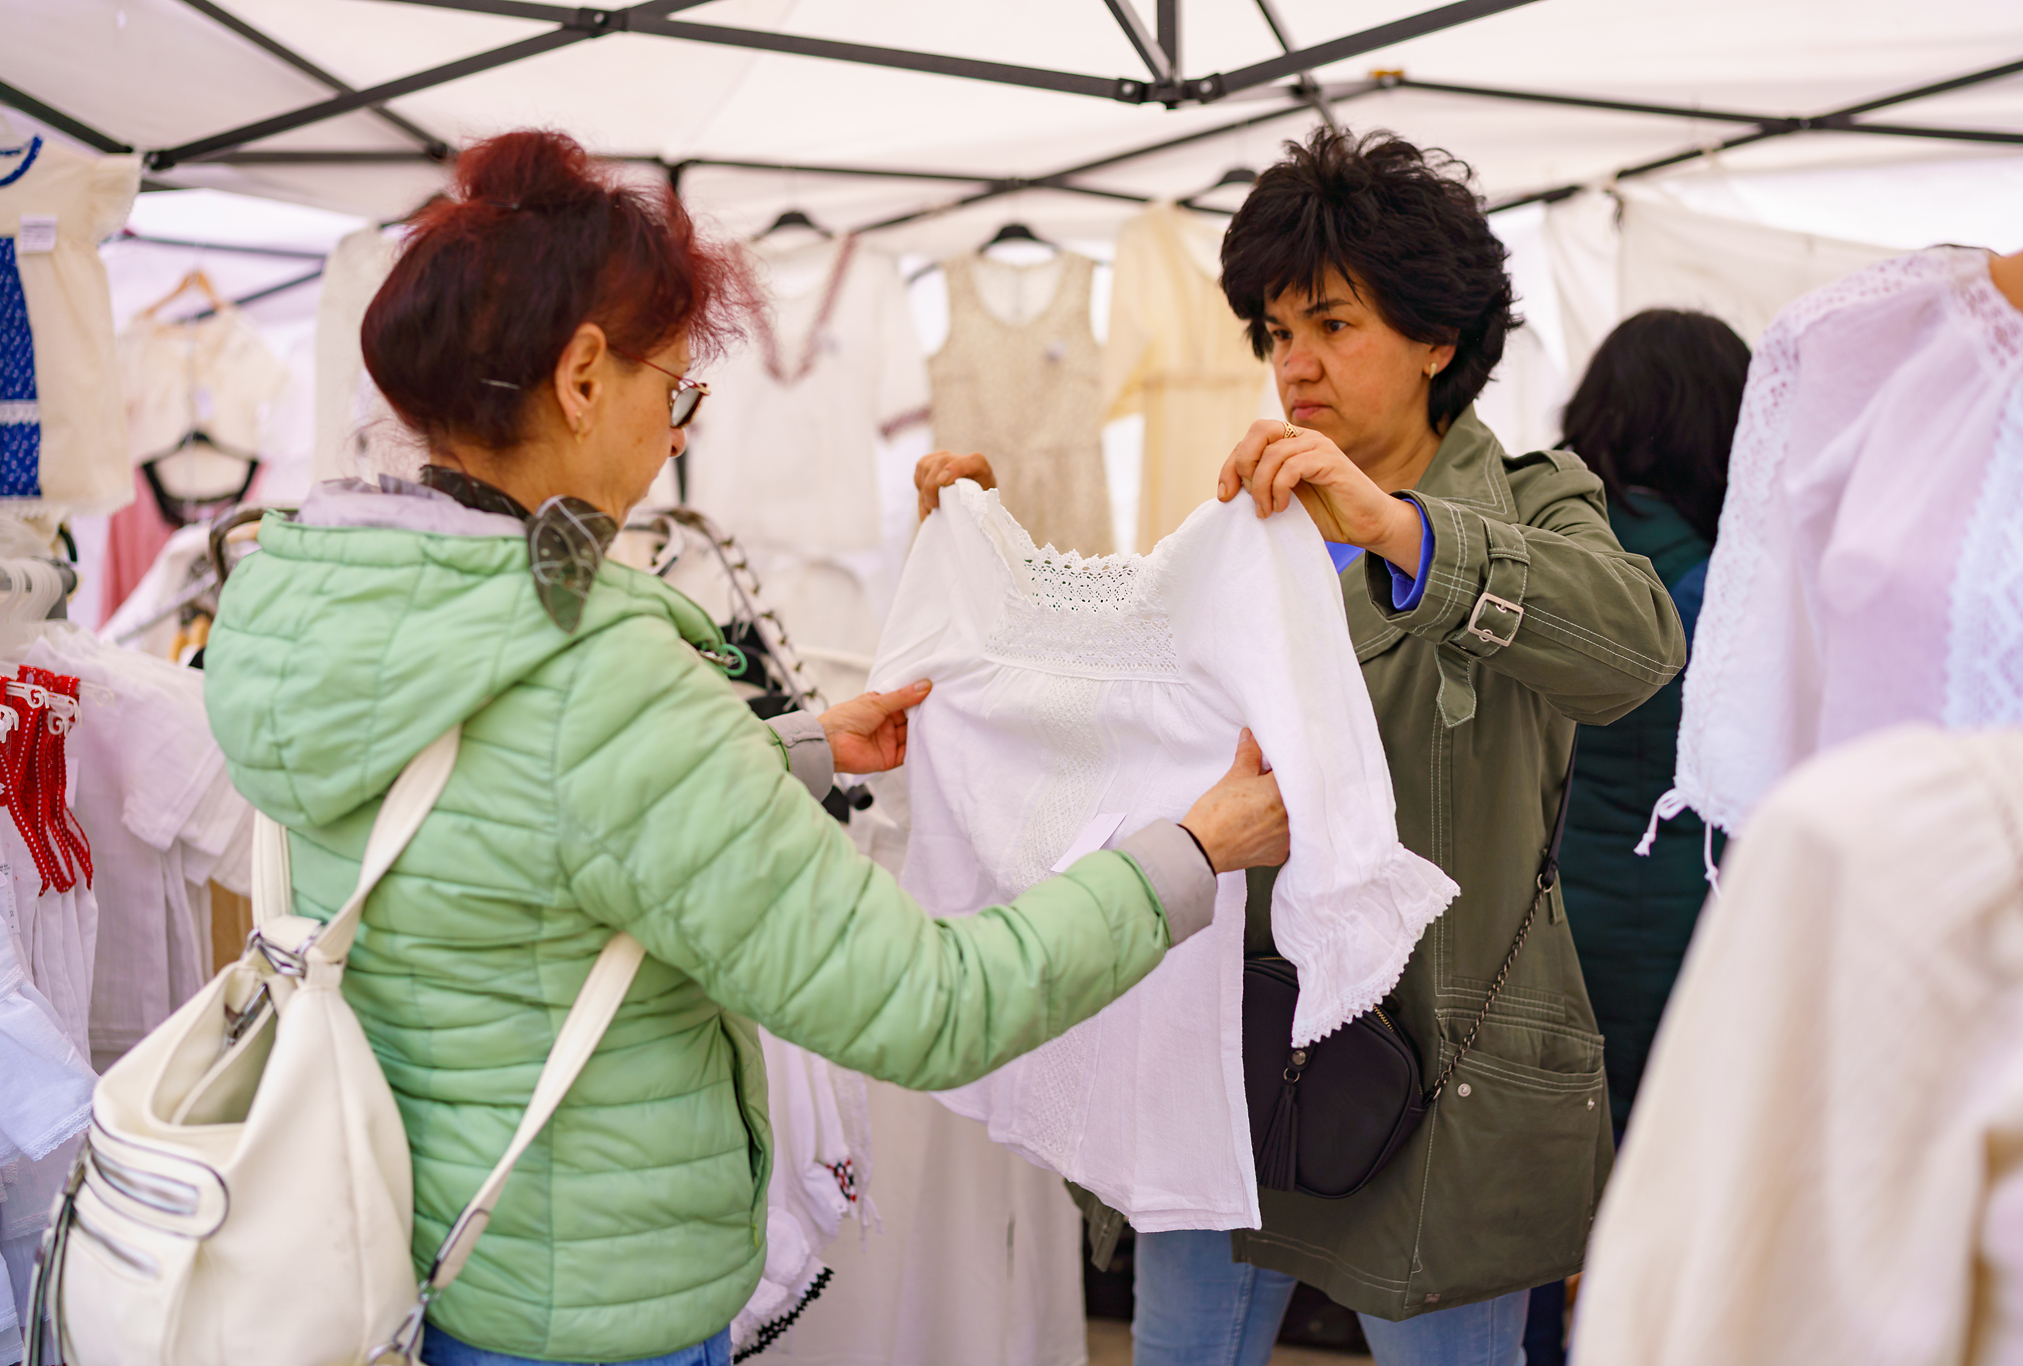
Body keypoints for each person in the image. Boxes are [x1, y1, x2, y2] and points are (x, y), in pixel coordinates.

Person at [202, 129, 1290, 1366]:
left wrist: (791, 752)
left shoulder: (313, 605)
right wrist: (1191, 849)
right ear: (580, 378)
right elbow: (927, 1005)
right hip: (595, 1301)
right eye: (677, 392)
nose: (675, 436)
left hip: (414, 1248)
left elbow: (508, 824)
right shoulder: (595, 675)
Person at [922, 127, 1686, 1366]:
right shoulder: (1242, 525)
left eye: (1332, 326)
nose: (1296, 366)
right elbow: (1118, 721)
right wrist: (984, 565)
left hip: (1444, 1076)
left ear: (1438, 337)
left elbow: (1635, 649)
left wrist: (1398, 530)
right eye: (1277, 334)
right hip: (1226, 1067)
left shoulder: (1533, 504)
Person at [1518, 308, 1752, 1365]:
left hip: (1544, 935)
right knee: (1666, 1233)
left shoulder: (1545, 563)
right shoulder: (1738, 582)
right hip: (1699, 947)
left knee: (1525, 1218)